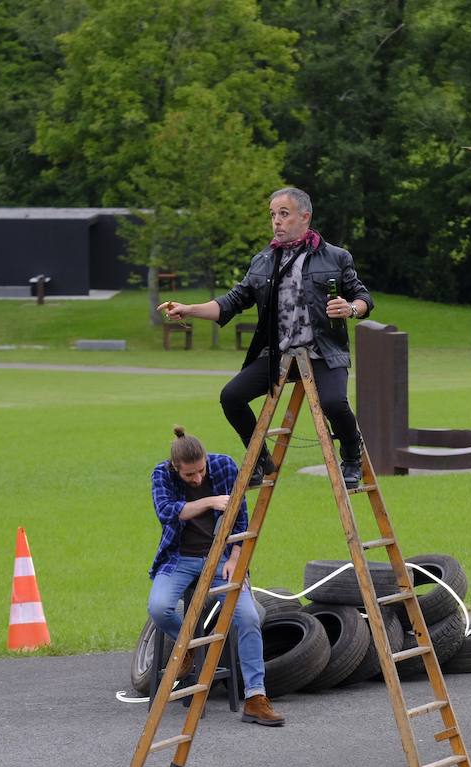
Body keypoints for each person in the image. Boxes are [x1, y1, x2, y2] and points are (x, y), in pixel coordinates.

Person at [160, 187, 374, 489]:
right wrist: (189, 309)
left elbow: (363, 298)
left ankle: (351, 457)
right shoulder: (262, 261)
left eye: (284, 214)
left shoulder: (336, 257)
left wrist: (351, 308)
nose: (277, 222)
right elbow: (232, 302)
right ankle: (260, 459)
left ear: (305, 217)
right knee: (231, 397)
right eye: (273, 215)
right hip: (279, 355)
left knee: (335, 403)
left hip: (324, 352)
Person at [147, 425, 283, 727]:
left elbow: (242, 518)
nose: (197, 478)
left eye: (200, 471)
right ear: (176, 468)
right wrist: (210, 501)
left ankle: (256, 698)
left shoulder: (224, 466)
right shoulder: (162, 474)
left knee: (247, 617)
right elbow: (168, 511)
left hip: (221, 557)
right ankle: (189, 647)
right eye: (189, 475)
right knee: (159, 608)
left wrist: (236, 558)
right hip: (179, 557)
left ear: (207, 460)